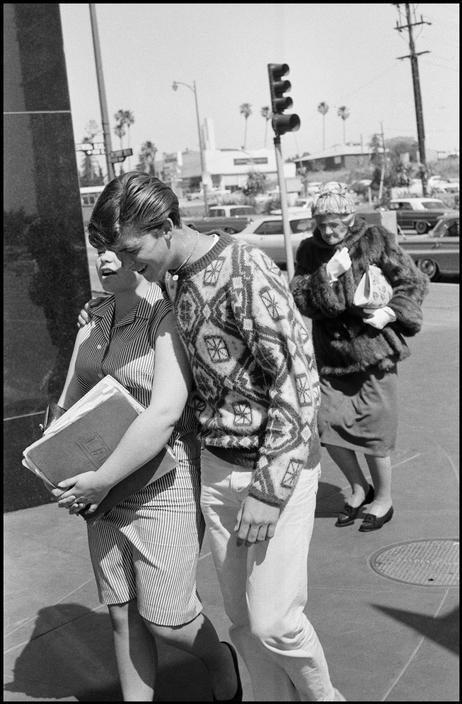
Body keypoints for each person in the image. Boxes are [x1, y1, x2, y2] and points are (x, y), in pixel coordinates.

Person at [74, 171, 345, 702]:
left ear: (168, 226)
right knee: (243, 626)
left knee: (274, 624)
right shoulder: (173, 277)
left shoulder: (246, 269)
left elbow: (298, 383)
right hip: (219, 472)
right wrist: (99, 309)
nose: (127, 264)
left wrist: (269, 491)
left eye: (133, 250)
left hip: (273, 473)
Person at [51, 242, 242, 702]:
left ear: (141, 253)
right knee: (122, 612)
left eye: (116, 248)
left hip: (162, 482)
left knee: (168, 620)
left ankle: (219, 658)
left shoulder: (167, 316)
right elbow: (70, 398)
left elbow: (164, 416)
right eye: (98, 248)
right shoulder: (95, 317)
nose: (105, 258)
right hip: (103, 483)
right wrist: (56, 453)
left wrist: (99, 479)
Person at [290, 182, 428, 532]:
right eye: (321, 224)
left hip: (375, 351)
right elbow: (301, 299)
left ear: (350, 217)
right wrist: (328, 275)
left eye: (335, 223)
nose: (328, 230)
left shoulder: (375, 239)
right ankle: (357, 488)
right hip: (333, 355)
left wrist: (392, 313)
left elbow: (412, 281)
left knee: (374, 429)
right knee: (328, 425)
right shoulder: (309, 251)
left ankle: (383, 499)